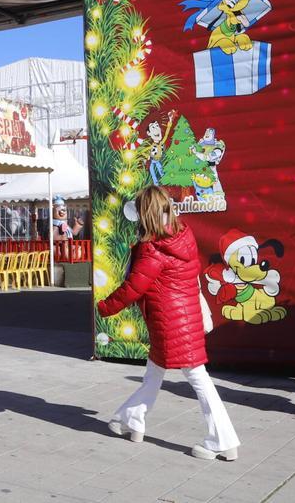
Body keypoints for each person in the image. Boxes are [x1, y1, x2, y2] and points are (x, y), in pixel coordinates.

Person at [97, 186, 240, 461]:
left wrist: (104, 307)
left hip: (169, 322)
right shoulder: (183, 235)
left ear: (145, 214)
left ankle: (222, 439)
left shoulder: (152, 250)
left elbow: (132, 288)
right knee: (154, 374)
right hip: (184, 317)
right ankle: (133, 421)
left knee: (198, 379)